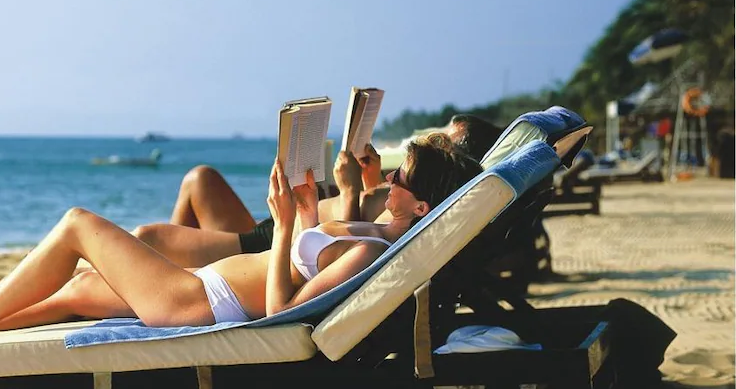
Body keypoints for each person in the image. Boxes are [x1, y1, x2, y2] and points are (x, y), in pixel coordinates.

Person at [0, 133, 480, 343]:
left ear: (422, 206)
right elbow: (307, 265)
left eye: (402, 178)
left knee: (78, 223)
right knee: (79, 288)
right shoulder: (372, 232)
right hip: (200, 287)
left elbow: (283, 314)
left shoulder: (371, 251)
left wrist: (284, 227)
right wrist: (307, 211)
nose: (392, 179)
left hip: (199, 301)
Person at [129, 114, 504, 268]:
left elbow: (346, 247)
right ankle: (169, 280)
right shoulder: (415, 192)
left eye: (445, 141)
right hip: (281, 226)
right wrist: (370, 180)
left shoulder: (427, 198)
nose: (433, 140)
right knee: (201, 178)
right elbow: (372, 222)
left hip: (272, 247)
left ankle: (167, 282)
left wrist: (350, 192)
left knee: (147, 239)